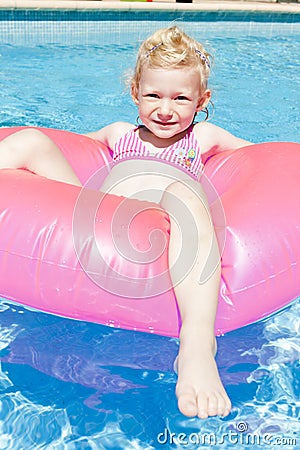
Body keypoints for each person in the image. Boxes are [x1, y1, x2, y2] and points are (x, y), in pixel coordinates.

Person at [0, 26, 252, 419]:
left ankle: (197, 345)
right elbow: (68, 145)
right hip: (99, 220)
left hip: (167, 222)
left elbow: (263, 159)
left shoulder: (202, 137)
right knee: (30, 140)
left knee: (185, 197)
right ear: (134, 92)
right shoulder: (119, 134)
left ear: (203, 100)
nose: (165, 110)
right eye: (153, 95)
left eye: (181, 98)